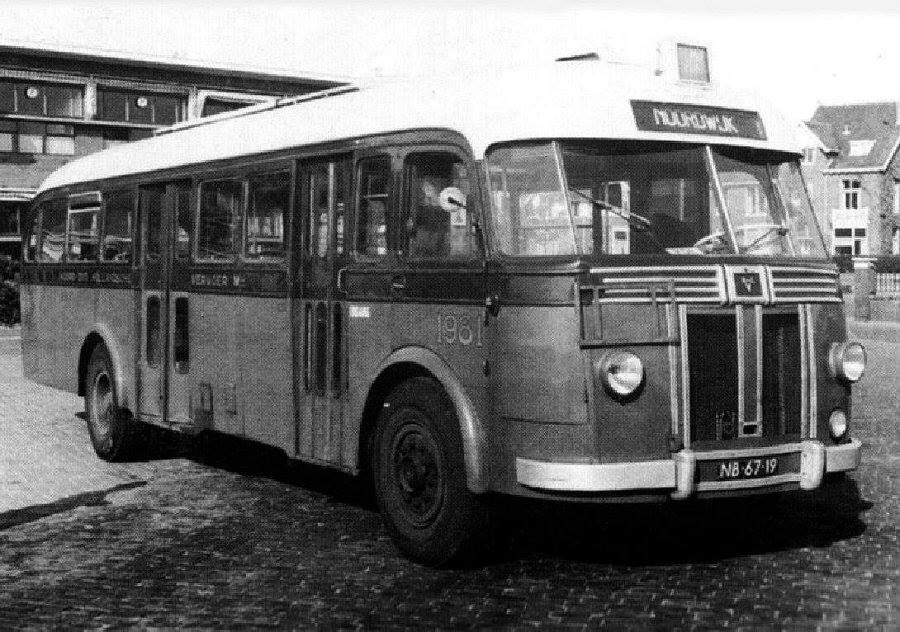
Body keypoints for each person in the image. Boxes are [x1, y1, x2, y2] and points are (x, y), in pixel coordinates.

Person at [408, 179, 449, 257]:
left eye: (429, 188)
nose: (427, 190)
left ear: (435, 188)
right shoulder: (421, 207)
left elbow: (446, 226)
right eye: (425, 188)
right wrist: (411, 227)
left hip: (438, 242)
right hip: (423, 243)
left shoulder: (444, 206)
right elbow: (415, 226)